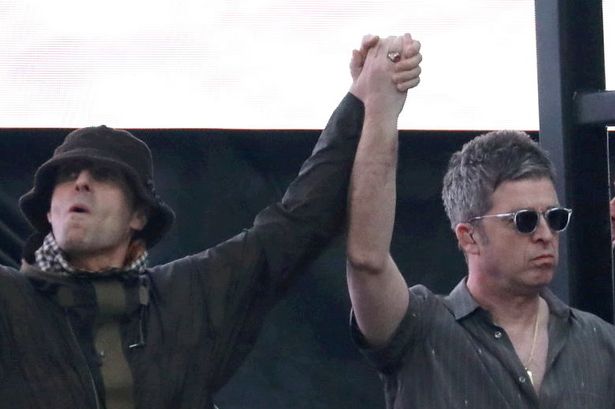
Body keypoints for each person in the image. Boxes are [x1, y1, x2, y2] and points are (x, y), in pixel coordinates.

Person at [0, 34, 422, 408]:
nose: (81, 183)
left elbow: (297, 223)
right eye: (65, 177)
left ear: (138, 216)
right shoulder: (11, 302)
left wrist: (360, 101)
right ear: (48, 211)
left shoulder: (188, 299)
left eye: (103, 175)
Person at [346, 122, 615, 406]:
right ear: (469, 236)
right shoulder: (420, 331)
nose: (546, 235)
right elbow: (367, 260)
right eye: (524, 220)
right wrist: (380, 109)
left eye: (555, 218)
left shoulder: (600, 342)